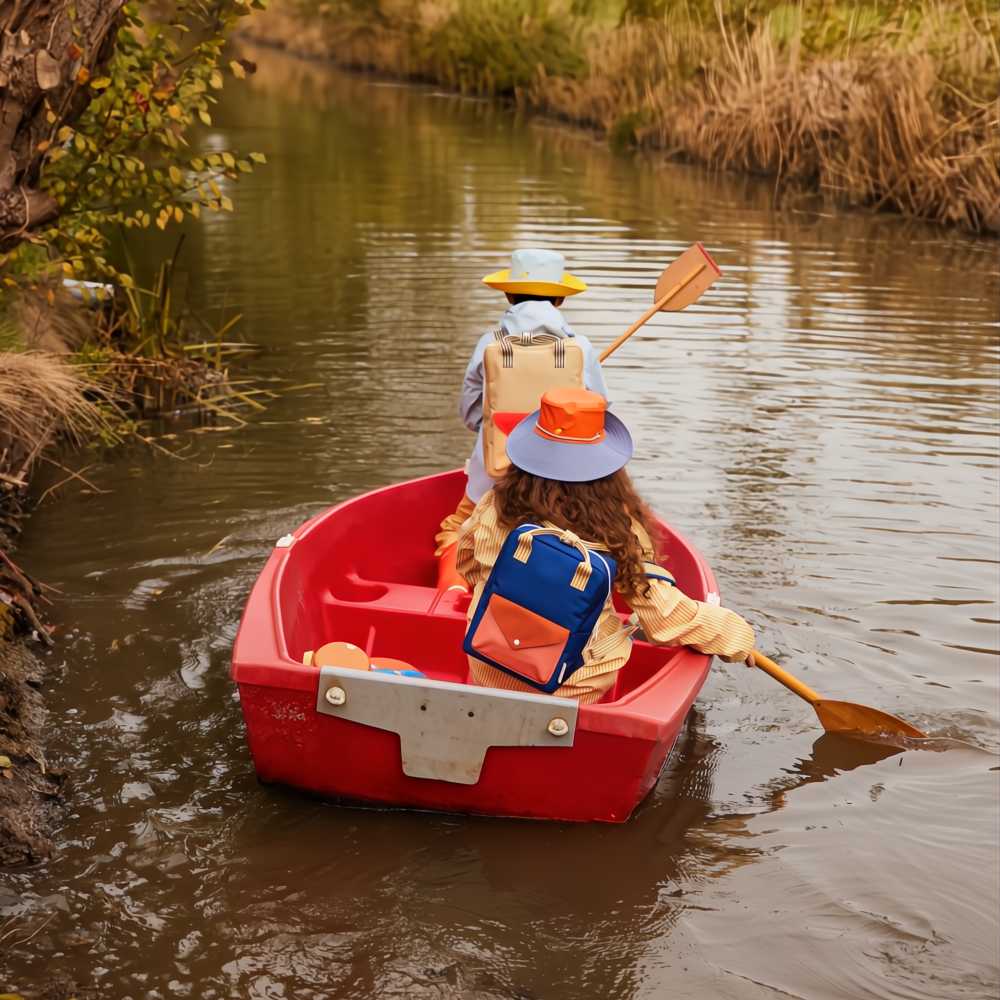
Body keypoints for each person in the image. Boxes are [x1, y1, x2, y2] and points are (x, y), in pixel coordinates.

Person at [456, 387, 755, 704]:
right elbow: (665, 619)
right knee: (623, 624)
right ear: (607, 471)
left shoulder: (494, 505)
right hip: (572, 686)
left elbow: (467, 564)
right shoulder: (616, 530)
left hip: (490, 661)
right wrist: (736, 635)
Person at [435, 248, 608, 589]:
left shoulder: (490, 342)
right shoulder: (580, 348)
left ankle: (452, 590)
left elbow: (471, 410)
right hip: (561, 480)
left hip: (494, 471)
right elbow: (600, 411)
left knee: (460, 527)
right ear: (560, 299)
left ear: (509, 294)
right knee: (571, 532)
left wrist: (489, 431)